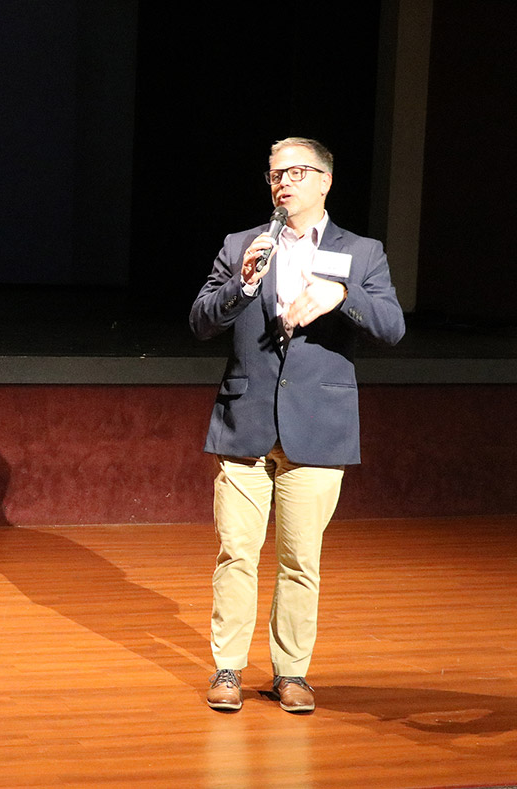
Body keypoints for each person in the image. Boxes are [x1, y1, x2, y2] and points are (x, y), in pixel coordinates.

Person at [188, 137, 405, 713]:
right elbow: (201, 320)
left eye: (298, 172)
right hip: (245, 422)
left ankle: (291, 672)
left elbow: (392, 327)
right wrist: (244, 284)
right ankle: (228, 669)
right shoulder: (242, 246)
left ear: (326, 181)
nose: (284, 182)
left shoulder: (361, 252)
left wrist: (341, 293)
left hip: (318, 425)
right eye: (275, 174)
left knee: (300, 558)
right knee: (236, 552)